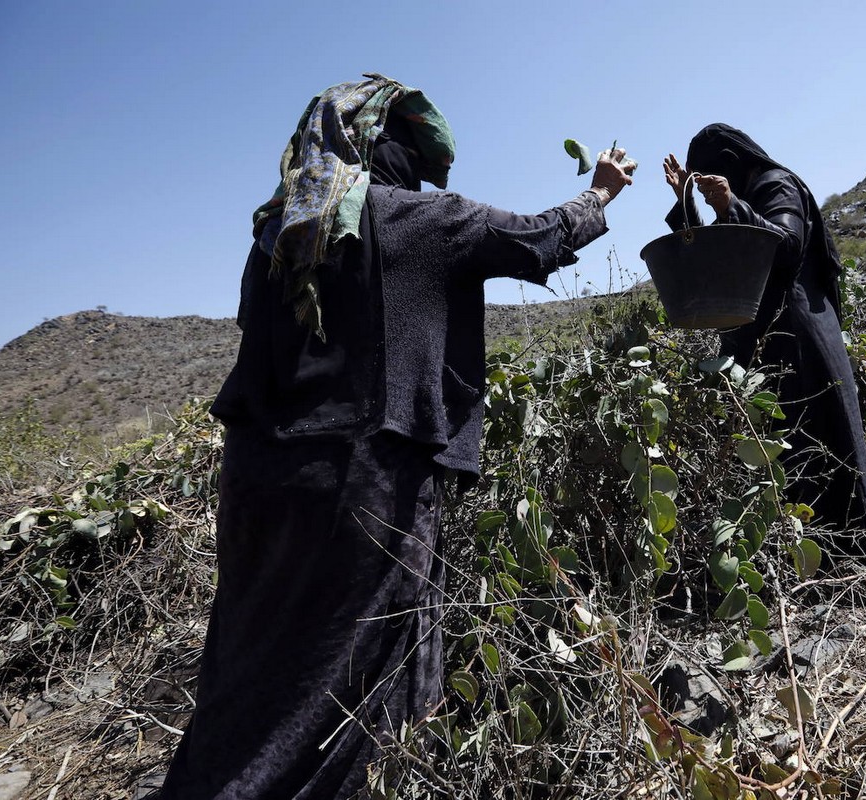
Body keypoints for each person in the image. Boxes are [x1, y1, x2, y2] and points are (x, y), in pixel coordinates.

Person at [155, 74, 634, 799]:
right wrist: (599, 193)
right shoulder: (419, 219)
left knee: (257, 661)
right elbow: (537, 239)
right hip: (360, 483)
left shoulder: (275, 237)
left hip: (256, 485)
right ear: (391, 146)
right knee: (351, 683)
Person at [662, 123, 866, 567]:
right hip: (767, 339)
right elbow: (714, 253)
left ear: (730, 163)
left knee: (823, 441)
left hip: (800, 336)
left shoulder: (776, 184)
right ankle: (805, 561)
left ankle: (855, 562)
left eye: (709, 174)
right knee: (783, 447)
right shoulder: (748, 193)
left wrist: (731, 203)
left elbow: (785, 247)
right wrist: (686, 202)